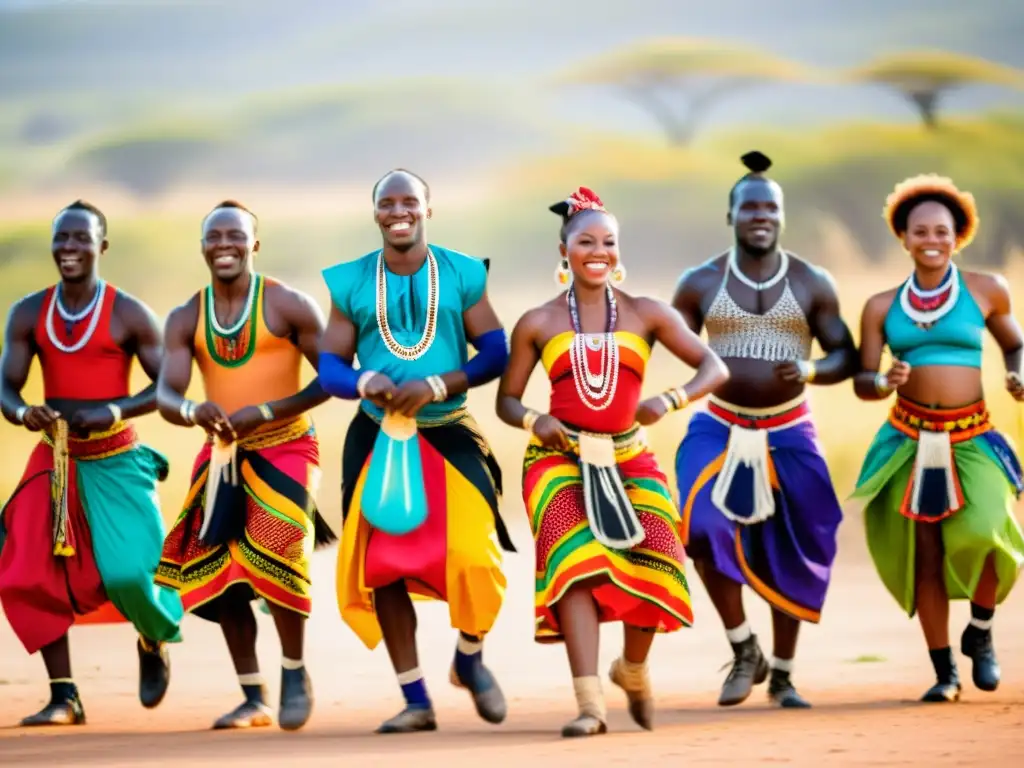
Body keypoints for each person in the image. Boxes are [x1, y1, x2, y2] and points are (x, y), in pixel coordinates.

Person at [495, 187, 728, 737]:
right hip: (558, 460)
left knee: (660, 551)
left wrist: (668, 400)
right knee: (573, 563)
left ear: (618, 251)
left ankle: (633, 669)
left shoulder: (648, 313)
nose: (598, 251)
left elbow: (713, 367)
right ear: (564, 249)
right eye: (585, 241)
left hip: (628, 455)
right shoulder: (537, 321)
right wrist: (534, 420)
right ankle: (589, 705)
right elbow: (506, 400)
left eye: (608, 242)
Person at [319, 168, 515, 734]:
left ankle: (470, 657)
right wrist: (361, 382)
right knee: (383, 569)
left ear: (429, 209)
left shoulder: (461, 273)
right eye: (387, 202)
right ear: (375, 212)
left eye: (410, 201)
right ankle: (414, 699)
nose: (398, 211)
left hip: (449, 429)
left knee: (477, 558)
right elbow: (329, 363)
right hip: (377, 436)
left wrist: (437, 385)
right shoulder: (352, 281)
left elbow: (495, 351)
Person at [671, 152, 859, 709]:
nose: (761, 216)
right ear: (728, 215)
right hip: (718, 427)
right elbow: (662, 338)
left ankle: (782, 674)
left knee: (794, 540)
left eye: (770, 207)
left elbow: (843, 354)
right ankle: (741, 645)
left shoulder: (811, 281)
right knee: (701, 524)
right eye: (749, 206)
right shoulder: (700, 282)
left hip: (789, 429)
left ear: (783, 215)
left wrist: (810, 370)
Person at [154, 200, 335, 731]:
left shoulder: (289, 305)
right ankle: (253, 696)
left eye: (236, 235)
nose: (225, 245)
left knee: (280, 544)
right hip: (223, 453)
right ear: (204, 246)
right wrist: (192, 410)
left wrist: (268, 411)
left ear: (254, 244)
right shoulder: (187, 315)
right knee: (221, 570)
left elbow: (331, 378)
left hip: (287, 446)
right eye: (214, 236)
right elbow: (167, 391)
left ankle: (295, 671)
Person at [0, 201, 183, 726]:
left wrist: (114, 409)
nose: (69, 248)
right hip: (54, 458)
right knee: (26, 573)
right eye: (62, 238)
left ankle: (151, 639)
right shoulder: (29, 312)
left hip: (116, 457)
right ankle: (65, 696)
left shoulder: (128, 313)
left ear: (102, 247)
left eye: (82, 239)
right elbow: (6, 386)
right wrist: (21, 411)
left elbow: (167, 386)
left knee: (129, 574)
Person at [850, 174, 1024, 702]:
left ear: (958, 235)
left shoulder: (988, 289)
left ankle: (982, 630)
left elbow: (1015, 346)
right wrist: (883, 382)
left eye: (943, 231)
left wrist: (1019, 374)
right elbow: (863, 380)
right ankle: (944, 671)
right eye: (920, 230)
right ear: (903, 237)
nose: (932, 239)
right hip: (910, 440)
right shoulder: (881, 305)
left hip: (973, 435)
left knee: (989, 533)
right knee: (925, 553)